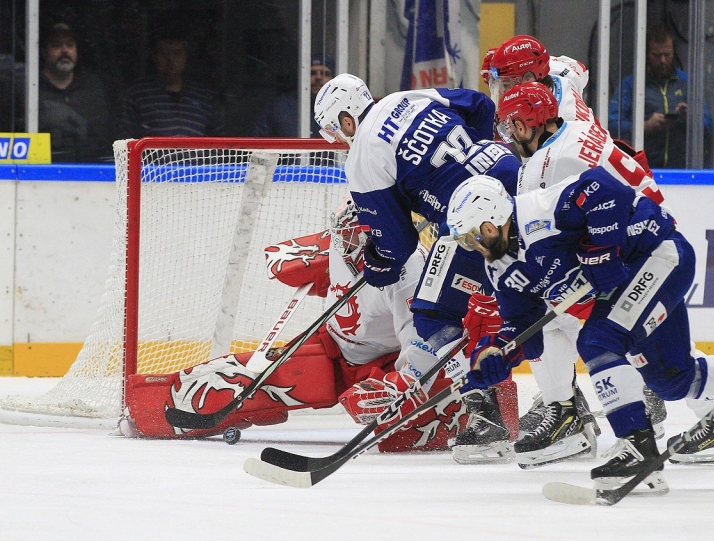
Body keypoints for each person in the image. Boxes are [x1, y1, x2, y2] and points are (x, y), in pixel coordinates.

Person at [445, 171, 714, 495]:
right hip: (636, 280)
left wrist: (599, 251)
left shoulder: (541, 209)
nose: (471, 247)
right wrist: (496, 353)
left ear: (489, 224)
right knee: (672, 379)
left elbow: (603, 188)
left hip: (659, 254)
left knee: (598, 341)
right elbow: (523, 328)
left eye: (470, 237)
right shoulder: (500, 266)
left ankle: (636, 445)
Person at [121, 196, 504, 452]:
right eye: (344, 232)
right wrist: (294, 262)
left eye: (360, 235)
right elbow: (284, 254)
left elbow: (419, 345)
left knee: (394, 429)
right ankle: (143, 412)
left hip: (380, 364)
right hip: (330, 346)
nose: (348, 242)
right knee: (241, 379)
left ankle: (485, 410)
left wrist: (393, 387)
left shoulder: (408, 272)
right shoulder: (340, 242)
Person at [314, 73, 523, 463]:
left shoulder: (362, 157)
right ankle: (570, 407)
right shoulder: (408, 96)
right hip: (514, 177)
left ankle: (485, 417)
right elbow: (481, 107)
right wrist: (465, 168)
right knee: (541, 294)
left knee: (433, 315)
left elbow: (396, 247)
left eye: (335, 131)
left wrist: (376, 264)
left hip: (474, 220)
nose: (341, 141)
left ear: (346, 120)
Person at [486, 34, 666, 457]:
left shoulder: (552, 155)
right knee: (577, 312)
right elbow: (574, 68)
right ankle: (576, 404)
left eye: (510, 83)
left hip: (621, 221)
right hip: (629, 208)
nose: (503, 97)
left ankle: (581, 406)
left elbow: (566, 209)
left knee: (574, 311)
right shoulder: (558, 78)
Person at [608, 24, 713, 169]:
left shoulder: (686, 83)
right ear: (646, 55)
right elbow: (612, 124)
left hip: (682, 170)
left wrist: (688, 118)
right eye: (657, 55)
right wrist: (644, 127)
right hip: (640, 170)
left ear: (673, 53)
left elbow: (707, 125)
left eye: (667, 54)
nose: (663, 60)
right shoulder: (632, 84)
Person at [116, 31, 224, 138]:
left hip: (198, 155)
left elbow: (221, 141)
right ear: (154, 57)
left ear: (186, 57)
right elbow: (124, 138)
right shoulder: (137, 93)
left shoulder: (204, 96)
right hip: (152, 155)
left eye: (177, 53)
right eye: (164, 54)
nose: (170, 59)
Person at [38, 22, 112, 162]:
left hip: (88, 170)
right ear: (43, 52)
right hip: (40, 172)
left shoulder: (92, 88)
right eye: (56, 45)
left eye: (70, 45)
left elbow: (103, 137)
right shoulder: (29, 87)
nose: (65, 50)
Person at [251, 54, 334, 137]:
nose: (318, 77)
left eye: (325, 74)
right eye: (312, 73)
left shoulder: (342, 108)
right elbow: (257, 141)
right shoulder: (280, 107)